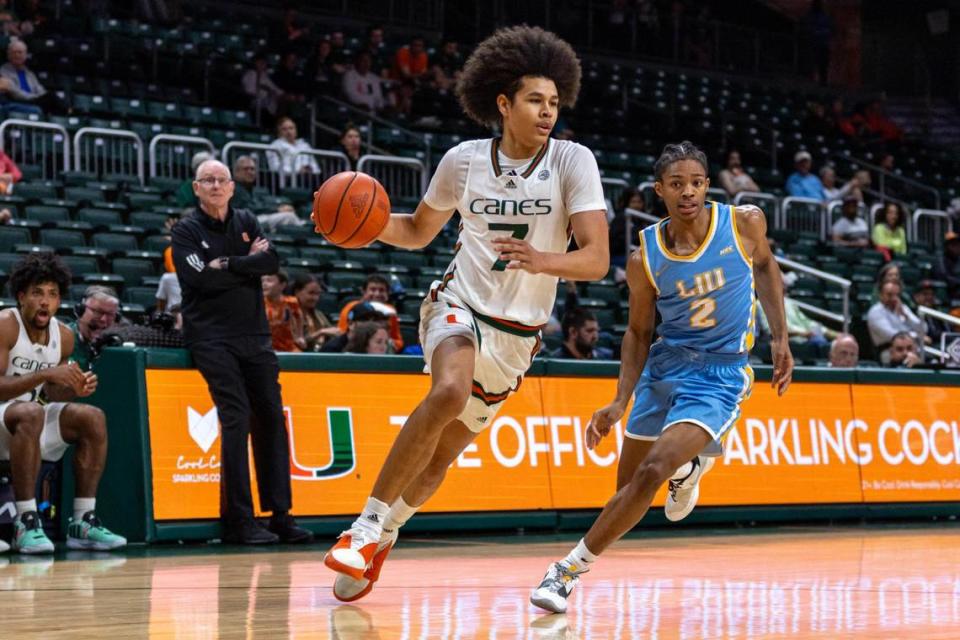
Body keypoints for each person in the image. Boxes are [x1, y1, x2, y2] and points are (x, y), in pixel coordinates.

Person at [324, 25, 609, 602]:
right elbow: (416, 230)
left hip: (517, 338)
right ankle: (365, 524)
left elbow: (597, 260)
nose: (548, 111)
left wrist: (540, 258)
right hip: (459, 305)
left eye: (555, 102)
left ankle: (388, 534)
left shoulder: (573, 161)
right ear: (503, 104)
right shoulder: (463, 160)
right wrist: (365, 226)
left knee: (441, 457)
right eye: (535, 99)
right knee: (449, 390)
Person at [529, 141, 793, 614]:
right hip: (666, 364)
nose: (688, 191)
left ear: (707, 185)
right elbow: (637, 333)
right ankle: (689, 469)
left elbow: (768, 268)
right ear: (660, 190)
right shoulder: (643, 257)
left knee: (653, 470)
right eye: (677, 184)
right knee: (627, 489)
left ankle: (565, 571)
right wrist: (618, 401)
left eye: (696, 182)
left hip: (720, 373)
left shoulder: (744, 222)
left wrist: (780, 340)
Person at [171, 159, 310, 545]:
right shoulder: (186, 230)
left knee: (270, 418)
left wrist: (231, 262)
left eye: (221, 180)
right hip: (211, 337)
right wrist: (248, 266)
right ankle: (238, 520)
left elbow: (270, 261)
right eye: (207, 180)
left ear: (232, 187)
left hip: (255, 336)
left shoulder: (247, 219)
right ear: (196, 188)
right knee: (237, 417)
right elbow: (199, 277)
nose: (215, 186)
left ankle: (280, 515)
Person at [0, 253, 126, 554]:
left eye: (52, 295)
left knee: (91, 416)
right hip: (5, 418)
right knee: (31, 412)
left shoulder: (64, 337)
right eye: (37, 293)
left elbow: (50, 395)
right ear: (21, 297)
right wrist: (45, 373)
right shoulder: (6, 324)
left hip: (29, 423)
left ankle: (82, 522)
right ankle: (26, 521)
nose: (45, 301)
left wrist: (73, 389)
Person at [231, 155, 303, 230]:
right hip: (243, 223)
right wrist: (277, 210)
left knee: (288, 215)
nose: (250, 172)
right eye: (246, 169)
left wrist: (280, 208)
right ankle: (302, 228)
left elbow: (260, 205)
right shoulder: (234, 188)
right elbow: (250, 210)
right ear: (236, 172)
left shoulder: (251, 189)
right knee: (288, 216)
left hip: (255, 218)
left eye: (252, 169)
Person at [0, 39, 68, 115]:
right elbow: (15, 92)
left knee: (51, 98)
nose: (17, 55)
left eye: (20, 52)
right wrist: (35, 97)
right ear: (8, 55)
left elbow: (39, 89)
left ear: (25, 55)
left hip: (34, 99)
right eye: (14, 52)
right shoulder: (4, 70)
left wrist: (40, 97)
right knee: (51, 98)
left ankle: (68, 114)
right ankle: (69, 111)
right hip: (20, 100)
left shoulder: (29, 73)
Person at [337, 274, 403, 352]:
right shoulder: (351, 307)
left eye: (381, 290)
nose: (377, 294)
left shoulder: (391, 311)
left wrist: (389, 343)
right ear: (363, 291)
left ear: (387, 293)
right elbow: (342, 333)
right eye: (372, 289)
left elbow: (398, 340)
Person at [866, 281, 926, 363]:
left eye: (897, 295)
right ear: (881, 295)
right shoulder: (875, 311)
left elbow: (924, 328)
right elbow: (893, 335)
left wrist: (906, 316)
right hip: (886, 349)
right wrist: (917, 336)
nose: (894, 298)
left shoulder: (903, 308)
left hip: (909, 346)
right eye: (890, 295)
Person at [67, 285, 120, 372]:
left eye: (110, 314)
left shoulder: (112, 346)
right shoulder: (61, 339)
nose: (103, 319)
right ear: (81, 310)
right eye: (98, 312)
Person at [321, 301, 389, 353]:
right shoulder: (332, 349)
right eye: (365, 320)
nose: (370, 325)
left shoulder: (372, 347)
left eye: (373, 321)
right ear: (351, 324)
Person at [291, 273, 336, 351]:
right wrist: (320, 333)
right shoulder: (288, 314)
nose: (315, 298)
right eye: (311, 293)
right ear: (297, 292)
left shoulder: (318, 314)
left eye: (318, 294)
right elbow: (295, 342)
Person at [262, 271, 305, 352]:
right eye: (262, 281)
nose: (264, 284)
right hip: (266, 349)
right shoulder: (259, 304)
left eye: (269, 280)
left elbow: (299, 317)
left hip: (288, 347)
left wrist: (300, 336)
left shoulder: (291, 302)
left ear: (282, 285)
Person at [242, 52, 285, 120]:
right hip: (256, 105)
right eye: (260, 62)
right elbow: (250, 91)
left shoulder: (264, 75)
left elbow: (275, 88)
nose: (263, 65)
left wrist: (280, 94)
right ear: (254, 63)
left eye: (264, 63)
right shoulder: (249, 74)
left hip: (268, 104)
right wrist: (266, 90)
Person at [912, 280, 948, 344]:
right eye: (925, 294)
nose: (929, 297)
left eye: (932, 294)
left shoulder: (938, 312)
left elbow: (947, 333)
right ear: (916, 297)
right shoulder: (912, 313)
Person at [933, 231, 960, 301]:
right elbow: (943, 276)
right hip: (947, 292)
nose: (956, 248)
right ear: (947, 246)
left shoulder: (958, 259)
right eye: (953, 245)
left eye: (957, 245)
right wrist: (957, 281)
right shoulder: (940, 259)